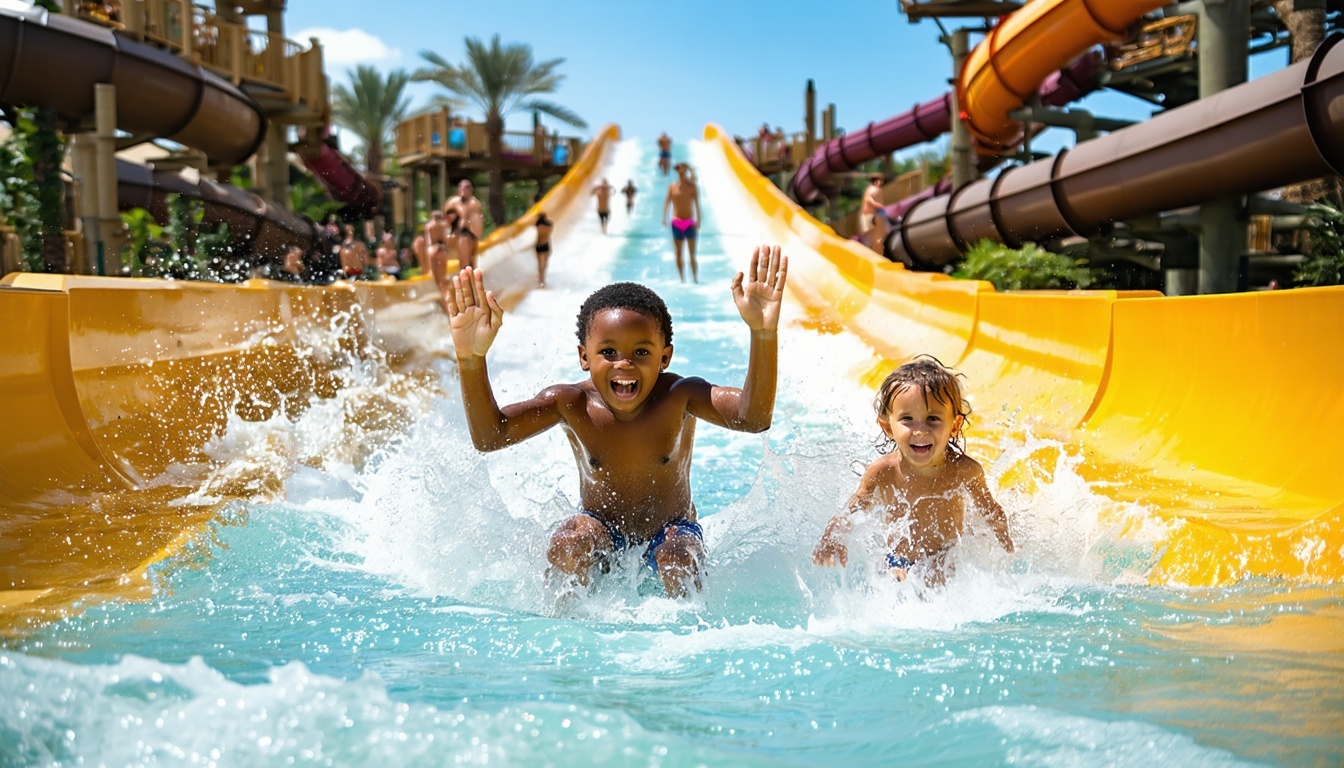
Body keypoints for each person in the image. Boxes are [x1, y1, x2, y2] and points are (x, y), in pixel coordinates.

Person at [443, 245, 790, 599]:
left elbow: (753, 418)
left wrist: (763, 333)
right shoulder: (571, 403)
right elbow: (491, 436)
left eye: (641, 352)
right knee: (568, 545)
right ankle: (566, 624)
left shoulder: (680, 397)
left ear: (664, 357)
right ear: (584, 357)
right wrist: (471, 359)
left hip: (672, 530)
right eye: (608, 352)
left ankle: (687, 625)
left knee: (677, 559)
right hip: (601, 529)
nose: (624, 363)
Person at [812, 356, 1015, 585]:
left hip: (944, 555)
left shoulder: (965, 471)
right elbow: (852, 510)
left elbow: (990, 510)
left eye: (933, 419)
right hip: (899, 554)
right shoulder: (882, 471)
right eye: (907, 419)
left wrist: (1008, 547)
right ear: (888, 428)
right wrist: (832, 537)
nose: (920, 430)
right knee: (892, 580)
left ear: (954, 426)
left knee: (937, 578)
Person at [662, 162, 702, 283]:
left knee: (692, 254)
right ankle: (682, 279)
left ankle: (695, 279)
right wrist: (664, 217)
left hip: (689, 222)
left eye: (684, 171)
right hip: (677, 222)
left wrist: (698, 219)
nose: (682, 173)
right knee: (679, 253)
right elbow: (667, 202)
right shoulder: (672, 187)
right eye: (679, 171)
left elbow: (697, 205)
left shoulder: (692, 187)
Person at [445, 178, 485, 258]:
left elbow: (477, 226)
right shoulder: (452, 203)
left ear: (471, 190)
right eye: (461, 187)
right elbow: (445, 222)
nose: (464, 189)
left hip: (469, 238)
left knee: (464, 240)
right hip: (453, 237)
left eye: (467, 187)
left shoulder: (474, 204)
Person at [534, 211, 554, 288]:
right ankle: (543, 281)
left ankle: (540, 282)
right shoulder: (549, 227)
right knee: (544, 265)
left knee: (540, 266)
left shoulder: (539, 227)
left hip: (539, 245)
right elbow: (551, 223)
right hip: (546, 245)